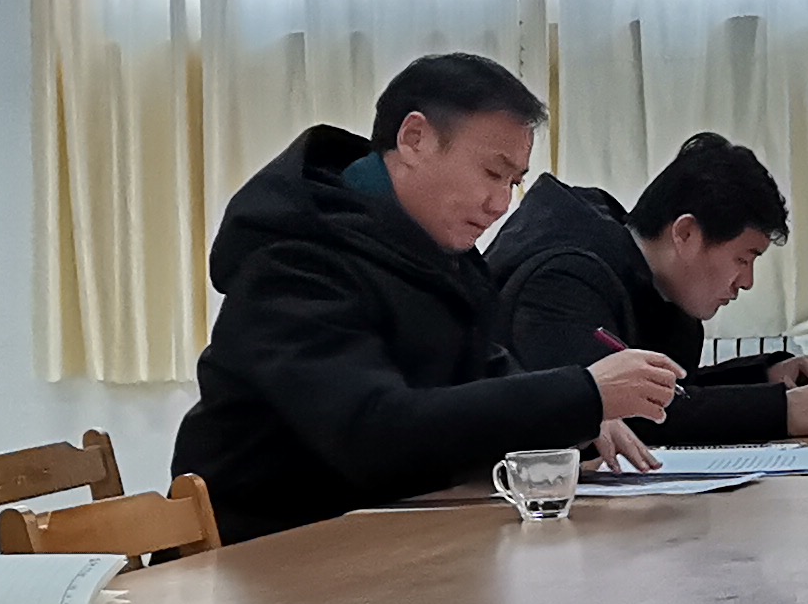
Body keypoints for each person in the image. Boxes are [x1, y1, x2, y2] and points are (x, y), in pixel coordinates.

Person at [172, 51, 684, 541]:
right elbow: (374, 435)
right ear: (414, 138)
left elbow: (483, 379)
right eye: (492, 173)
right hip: (263, 559)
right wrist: (580, 394)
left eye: (513, 182)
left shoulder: (436, 257)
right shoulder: (296, 260)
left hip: (385, 545)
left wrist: (579, 417)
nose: (500, 204)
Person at [493, 133, 808, 447]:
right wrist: (776, 410)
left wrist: (766, 375)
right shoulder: (563, 279)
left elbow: (672, 392)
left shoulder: (654, 286)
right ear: (686, 233)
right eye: (742, 259)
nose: (746, 281)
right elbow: (621, 411)